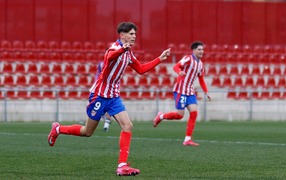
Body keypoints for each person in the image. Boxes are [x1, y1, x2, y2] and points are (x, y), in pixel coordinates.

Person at [47, 21, 171, 176]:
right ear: (122, 35)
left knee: (128, 125)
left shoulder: (129, 53)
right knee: (87, 132)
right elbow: (110, 56)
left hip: (113, 97)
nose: (134, 37)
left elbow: (141, 69)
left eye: (135, 34)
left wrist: (159, 58)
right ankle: (57, 129)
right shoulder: (114, 48)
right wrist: (121, 50)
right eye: (131, 34)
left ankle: (122, 166)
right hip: (99, 96)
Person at [153, 41, 211, 146]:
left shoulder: (201, 64)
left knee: (194, 113)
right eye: (199, 49)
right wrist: (179, 72)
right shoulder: (188, 58)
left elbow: (201, 79)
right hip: (181, 90)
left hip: (190, 91)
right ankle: (161, 116)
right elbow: (176, 66)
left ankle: (187, 139)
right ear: (193, 50)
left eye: (202, 49)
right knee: (180, 115)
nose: (202, 51)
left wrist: (206, 92)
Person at [95, 61, 112, 132]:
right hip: (101, 88)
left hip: (111, 89)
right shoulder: (102, 64)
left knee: (110, 107)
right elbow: (98, 75)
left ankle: (106, 124)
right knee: (101, 107)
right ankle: (104, 118)